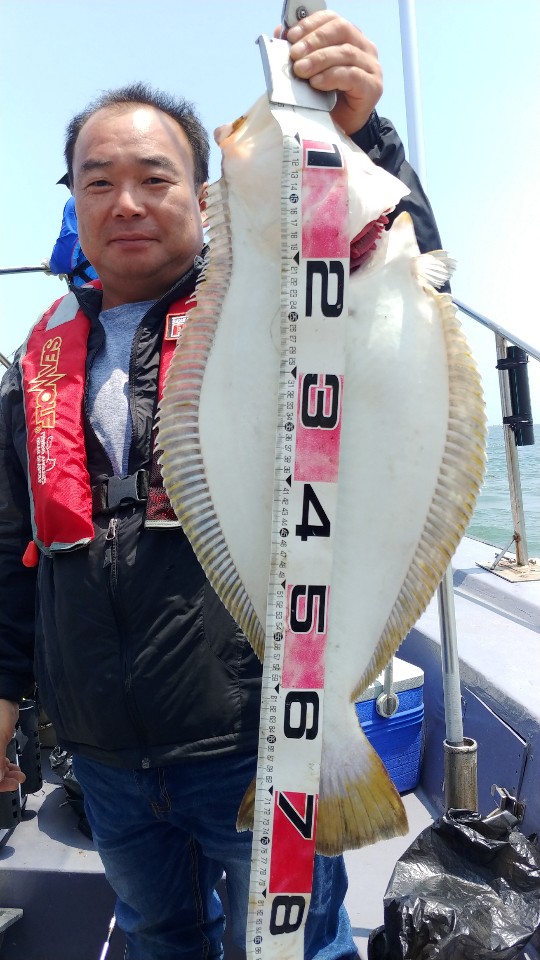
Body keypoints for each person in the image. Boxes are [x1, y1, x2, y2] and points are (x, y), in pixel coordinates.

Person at [0, 10, 444, 959]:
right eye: (98, 182)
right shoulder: (37, 362)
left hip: (254, 729)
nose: (126, 203)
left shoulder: (275, 304)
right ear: (72, 202)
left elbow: (393, 309)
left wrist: (363, 136)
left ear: (204, 198)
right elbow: (13, 545)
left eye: (155, 178)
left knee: (302, 945)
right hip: (105, 751)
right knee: (158, 937)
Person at [45, 186, 98, 286]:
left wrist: (54, 265)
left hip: (95, 289)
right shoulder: (124, 199)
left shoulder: (78, 200)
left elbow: (67, 250)